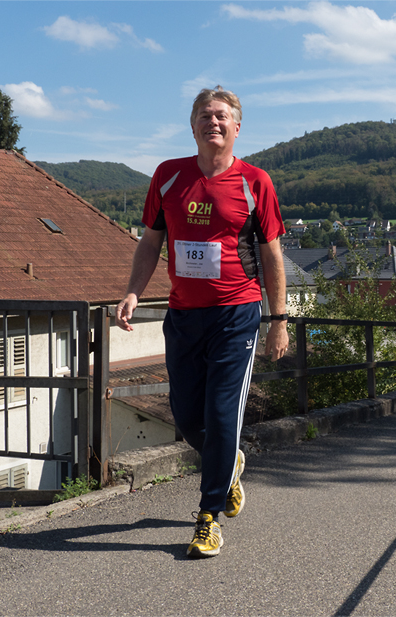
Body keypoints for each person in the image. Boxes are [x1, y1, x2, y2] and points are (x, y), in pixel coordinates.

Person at [116, 86, 288, 558]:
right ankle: (229, 462)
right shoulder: (168, 176)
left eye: (222, 116)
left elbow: (272, 256)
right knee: (189, 417)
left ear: (237, 127)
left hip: (236, 314)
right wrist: (133, 291)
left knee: (221, 414)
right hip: (183, 316)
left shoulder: (255, 182)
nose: (213, 122)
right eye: (205, 115)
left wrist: (278, 319)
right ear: (192, 126)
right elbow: (150, 242)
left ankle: (208, 517)